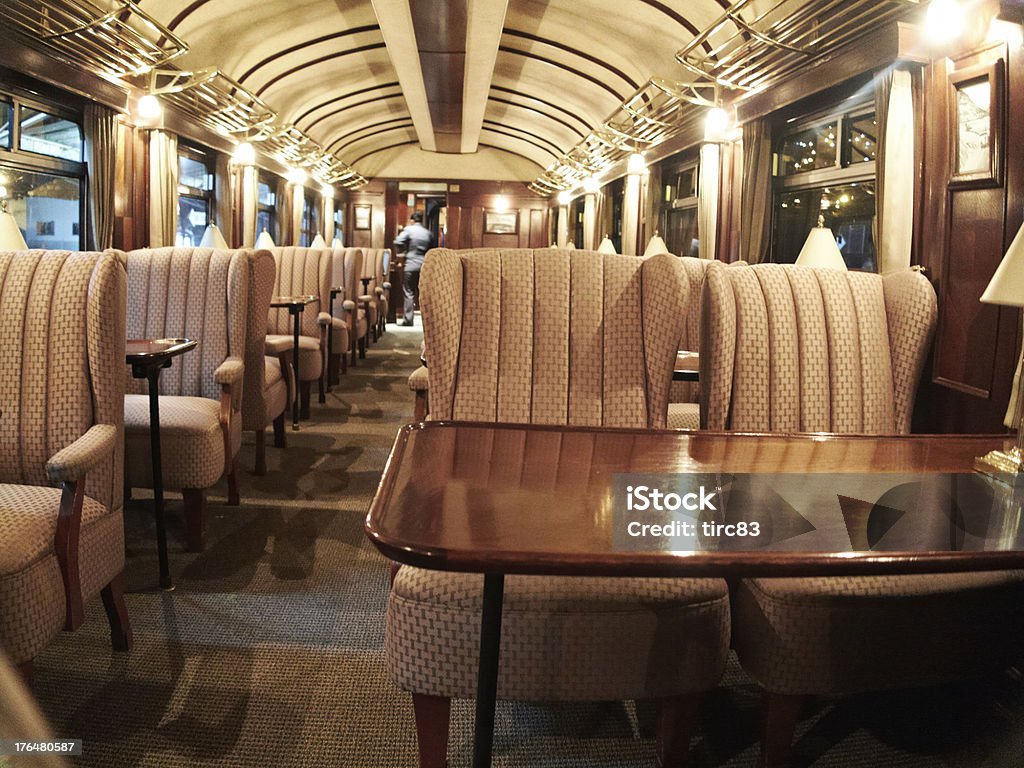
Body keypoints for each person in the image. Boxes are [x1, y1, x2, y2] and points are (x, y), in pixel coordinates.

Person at [393, 211, 432, 326]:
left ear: (412, 220)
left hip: (410, 264)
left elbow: (398, 241)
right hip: (424, 265)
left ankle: (408, 319)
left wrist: (405, 250)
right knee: (424, 293)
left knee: (408, 291)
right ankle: (427, 320)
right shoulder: (427, 233)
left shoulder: (409, 230)